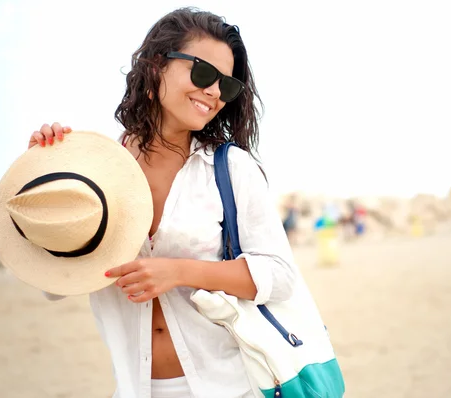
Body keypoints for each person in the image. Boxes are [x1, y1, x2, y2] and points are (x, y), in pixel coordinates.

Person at [28, 8, 298, 398]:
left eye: (227, 85)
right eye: (204, 73)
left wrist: (179, 271)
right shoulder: (96, 167)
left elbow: (280, 276)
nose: (215, 92)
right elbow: (53, 286)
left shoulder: (231, 168)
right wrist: (47, 183)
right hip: (136, 389)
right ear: (157, 66)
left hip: (229, 387)